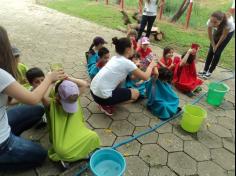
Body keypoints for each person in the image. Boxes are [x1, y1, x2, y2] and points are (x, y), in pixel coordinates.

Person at [0, 26, 66, 170]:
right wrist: (49, 78)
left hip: (2, 120)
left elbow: (11, 100)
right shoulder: (1, 75)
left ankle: (13, 139)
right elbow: (33, 99)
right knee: (40, 155)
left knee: (36, 110)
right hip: (1, 142)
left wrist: (42, 88)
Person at [90, 37, 157, 116]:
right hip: (102, 97)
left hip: (93, 91)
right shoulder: (127, 63)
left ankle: (107, 102)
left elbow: (128, 72)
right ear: (128, 49)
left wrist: (135, 66)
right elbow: (145, 77)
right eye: (132, 46)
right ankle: (107, 105)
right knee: (136, 93)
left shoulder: (114, 58)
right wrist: (151, 65)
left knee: (121, 81)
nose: (133, 48)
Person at [42, 78, 100, 167]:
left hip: (76, 130)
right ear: (57, 96)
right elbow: (43, 97)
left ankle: (78, 155)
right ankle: (73, 157)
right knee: (62, 151)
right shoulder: (52, 103)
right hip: (62, 138)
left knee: (94, 136)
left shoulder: (74, 97)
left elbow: (84, 84)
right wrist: (51, 81)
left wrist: (67, 77)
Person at [198, 11, 235, 79]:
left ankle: (210, 71)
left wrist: (216, 46)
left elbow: (223, 36)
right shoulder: (211, 22)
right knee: (211, 51)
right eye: (212, 21)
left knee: (217, 52)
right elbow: (210, 35)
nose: (213, 24)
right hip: (219, 29)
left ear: (221, 21)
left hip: (228, 32)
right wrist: (213, 45)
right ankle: (205, 70)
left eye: (215, 22)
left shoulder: (228, 23)